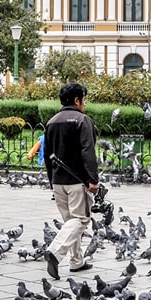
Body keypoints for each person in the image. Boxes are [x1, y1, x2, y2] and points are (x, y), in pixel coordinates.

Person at [43, 82, 100, 280]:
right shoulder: (82, 120)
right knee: (81, 219)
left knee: (71, 221)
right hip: (77, 181)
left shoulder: (52, 121)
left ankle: (77, 261)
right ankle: (55, 251)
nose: (84, 103)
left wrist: (52, 180)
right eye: (83, 99)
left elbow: (46, 154)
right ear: (77, 100)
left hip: (58, 180)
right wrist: (93, 179)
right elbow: (88, 151)